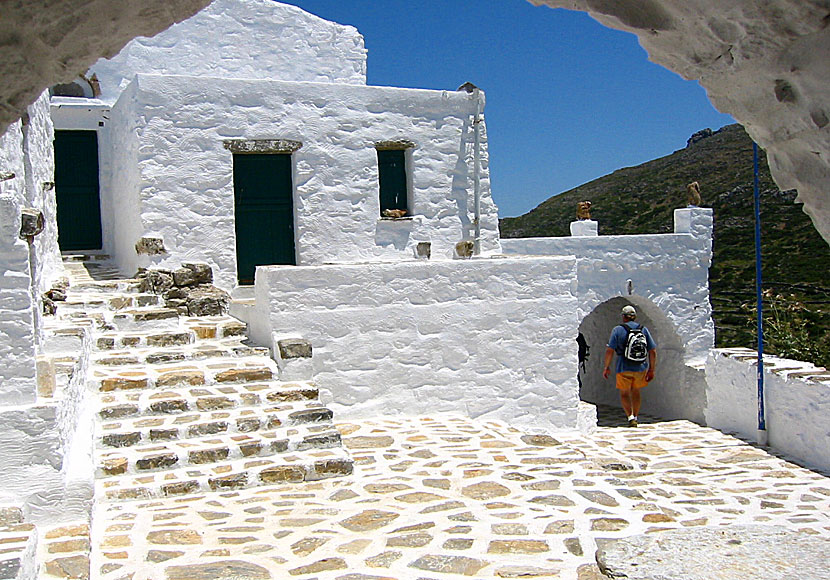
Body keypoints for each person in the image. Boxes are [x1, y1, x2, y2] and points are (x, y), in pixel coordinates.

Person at [602, 305, 657, 427]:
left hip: (623, 367)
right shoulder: (643, 330)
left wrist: (606, 366)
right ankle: (636, 416)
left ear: (623, 317)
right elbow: (652, 350)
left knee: (625, 393)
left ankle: (630, 417)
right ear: (635, 317)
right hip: (640, 367)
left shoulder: (617, 330)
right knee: (636, 391)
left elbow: (610, 350)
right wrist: (651, 369)